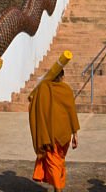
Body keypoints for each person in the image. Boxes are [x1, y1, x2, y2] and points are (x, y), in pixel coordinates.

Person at [28, 64, 79, 192]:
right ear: (62, 77)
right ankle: (59, 187)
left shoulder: (44, 88)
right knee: (59, 161)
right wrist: (75, 134)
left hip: (50, 135)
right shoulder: (66, 89)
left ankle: (58, 189)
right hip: (65, 134)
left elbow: (34, 105)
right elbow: (72, 112)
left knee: (54, 163)